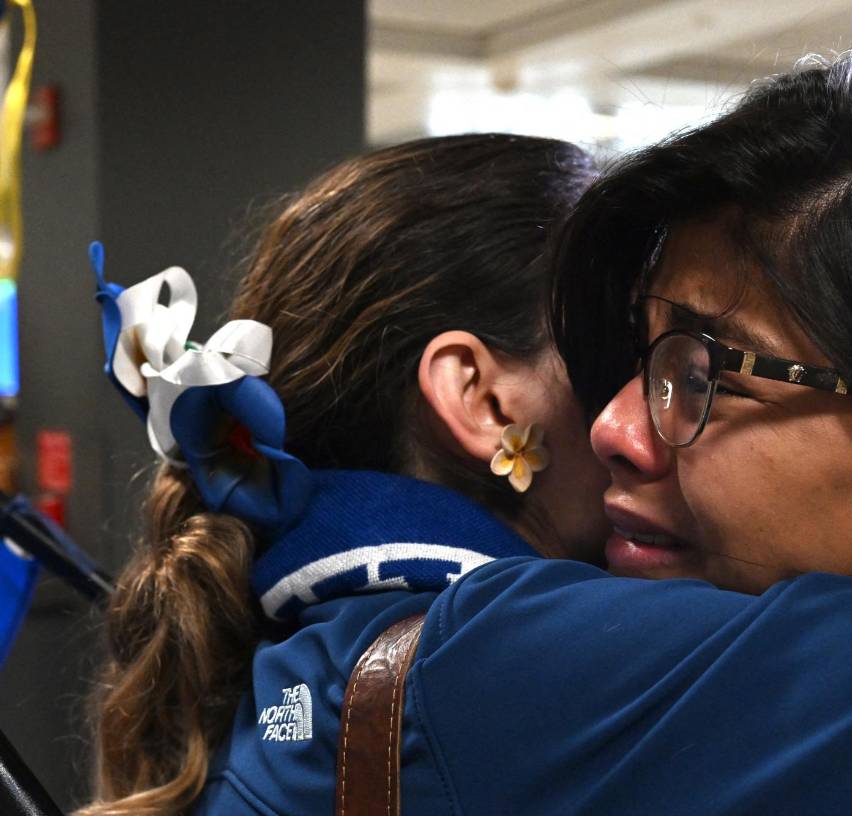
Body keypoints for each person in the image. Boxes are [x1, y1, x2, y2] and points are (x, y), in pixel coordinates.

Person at [88, 48, 852, 815]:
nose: (623, 428)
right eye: (616, 366)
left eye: (693, 370)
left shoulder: (328, 629)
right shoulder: (507, 668)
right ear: (479, 402)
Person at [79, 134, 608, 815]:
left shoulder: (291, 644)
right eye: (614, 350)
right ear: (483, 399)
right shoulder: (517, 657)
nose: (643, 409)